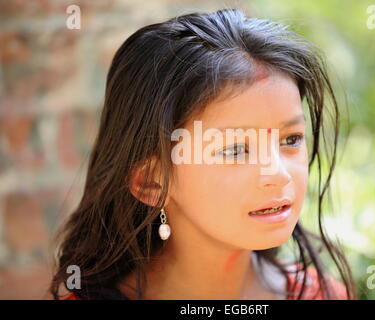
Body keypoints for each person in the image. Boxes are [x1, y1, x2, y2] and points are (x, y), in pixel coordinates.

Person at [50, 8, 355, 300]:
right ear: (151, 182)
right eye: (236, 149)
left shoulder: (325, 294)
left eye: (291, 138)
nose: (279, 173)